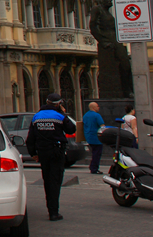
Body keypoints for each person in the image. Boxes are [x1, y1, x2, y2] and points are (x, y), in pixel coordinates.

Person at [26, 93, 76, 222]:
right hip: (56, 152)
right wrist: (63, 113)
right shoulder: (59, 116)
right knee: (55, 181)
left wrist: (33, 153)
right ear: (58, 104)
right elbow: (71, 129)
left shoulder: (37, 116)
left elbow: (30, 138)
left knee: (47, 180)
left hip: (43, 152)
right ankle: (53, 212)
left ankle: (50, 208)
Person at [82, 101, 105, 174]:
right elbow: (102, 126)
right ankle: (94, 168)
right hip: (96, 137)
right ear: (94, 107)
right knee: (97, 153)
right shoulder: (97, 115)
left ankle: (92, 166)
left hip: (88, 136)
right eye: (97, 106)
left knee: (94, 152)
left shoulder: (85, 115)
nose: (98, 107)